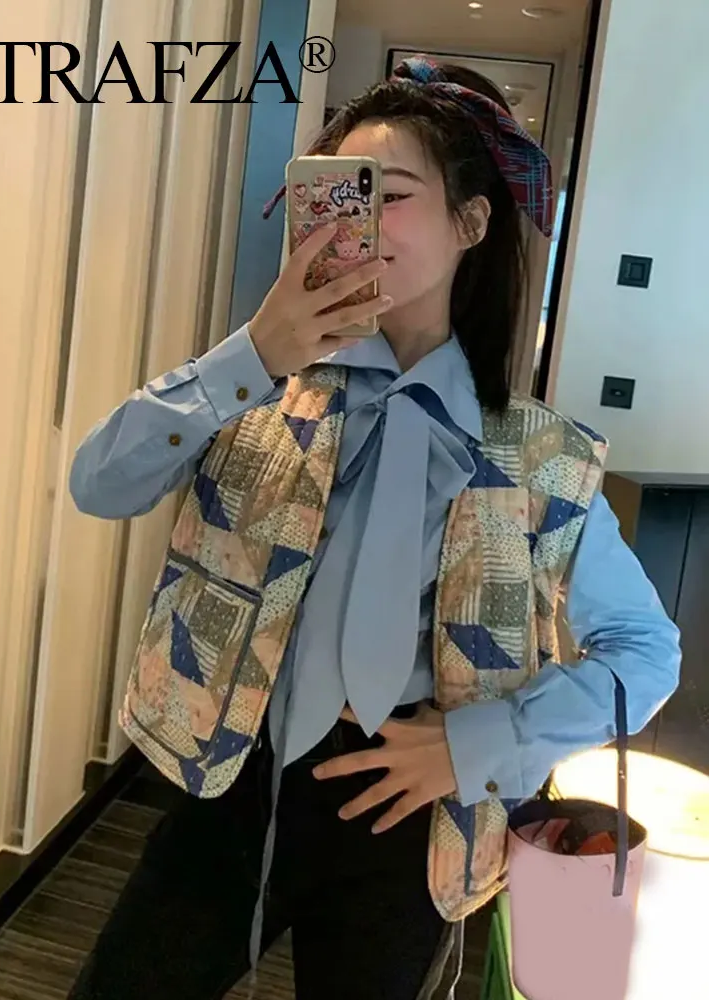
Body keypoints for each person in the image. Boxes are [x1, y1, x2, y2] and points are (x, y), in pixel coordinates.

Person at [66, 57, 681, 1000]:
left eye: (389, 196)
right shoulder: (254, 392)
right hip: (233, 775)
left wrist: (479, 745)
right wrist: (251, 355)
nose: (354, 225)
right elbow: (100, 484)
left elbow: (645, 654)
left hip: (415, 813)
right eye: (335, 197)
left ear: (470, 224)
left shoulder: (540, 457)